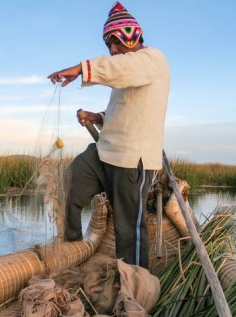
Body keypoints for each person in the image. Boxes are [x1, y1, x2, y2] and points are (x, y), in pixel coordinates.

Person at [47, 2, 170, 269]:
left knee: (129, 230)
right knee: (68, 185)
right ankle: (72, 253)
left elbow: (121, 69)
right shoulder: (128, 70)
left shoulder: (151, 60)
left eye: (115, 43)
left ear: (131, 35)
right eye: (109, 45)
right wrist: (98, 117)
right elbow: (123, 109)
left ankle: (135, 286)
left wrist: (81, 68)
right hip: (104, 153)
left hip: (131, 159)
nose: (112, 50)